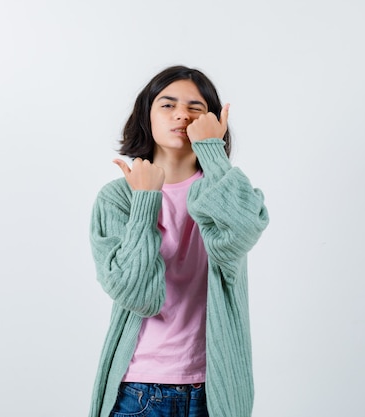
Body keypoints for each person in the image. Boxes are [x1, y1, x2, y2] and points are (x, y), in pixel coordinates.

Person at [88, 65, 269, 417]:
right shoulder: (118, 199)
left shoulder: (227, 189)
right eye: (167, 105)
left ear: (212, 121)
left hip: (214, 391)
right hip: (137, 391)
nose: (182, 115)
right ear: (147, 116)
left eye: (195, 108)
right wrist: (144, 202)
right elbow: (137, 295)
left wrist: (213, 153)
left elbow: (245, 230)